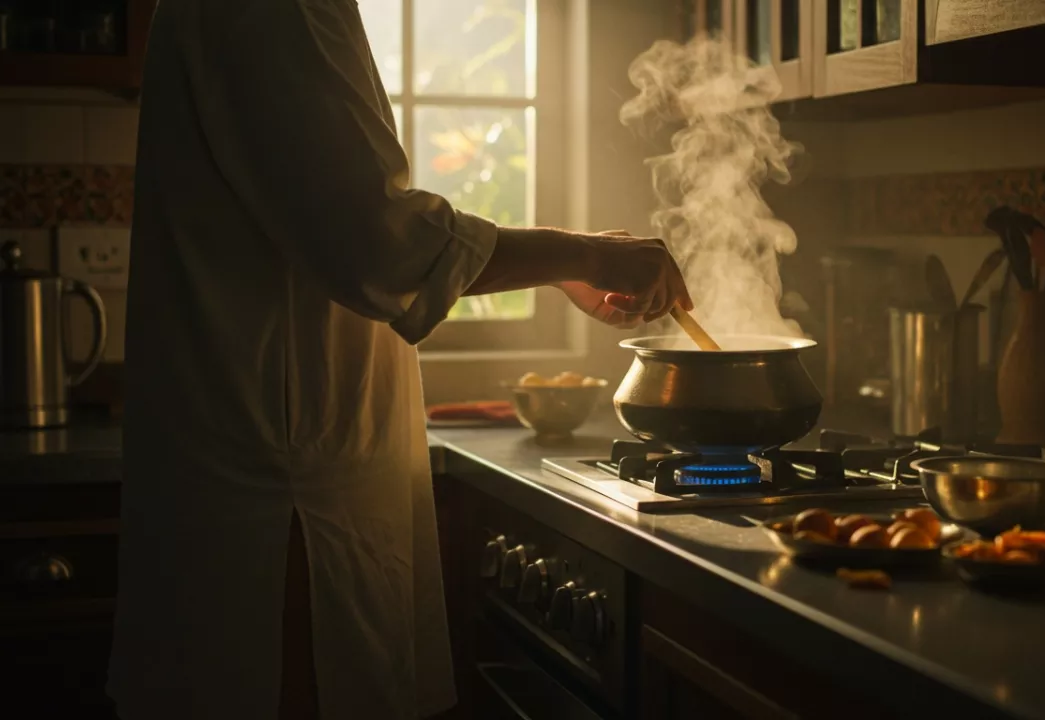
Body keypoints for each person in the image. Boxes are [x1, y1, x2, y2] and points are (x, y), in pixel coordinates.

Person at [106, 1, 691, 719]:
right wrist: (583, 253)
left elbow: (341, 225)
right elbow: (376, 241)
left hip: (274, 472)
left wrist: (562, 262)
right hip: (281, 505)